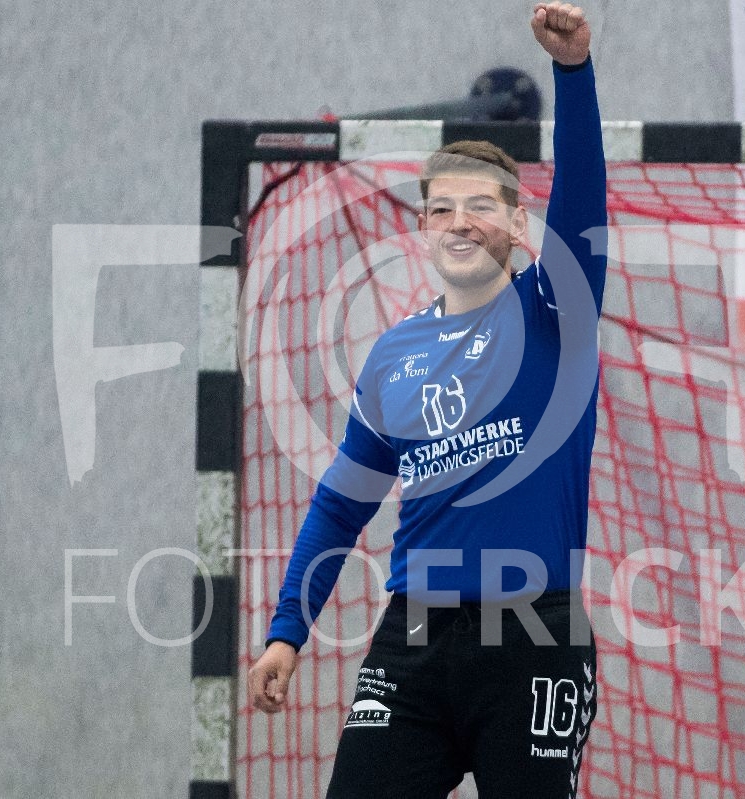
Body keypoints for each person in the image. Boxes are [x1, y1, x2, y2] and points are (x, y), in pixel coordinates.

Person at [248, 3, 607, 796]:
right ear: (423, 227)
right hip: (412, 636)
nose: (460, 222)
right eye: (443, 207)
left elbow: (584, 201)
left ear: (519, 222)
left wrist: (573, 71)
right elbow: (340, 505)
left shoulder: (556, 312)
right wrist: (286, 633)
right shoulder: (393, 355)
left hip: (534, 635)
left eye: (482, 205)